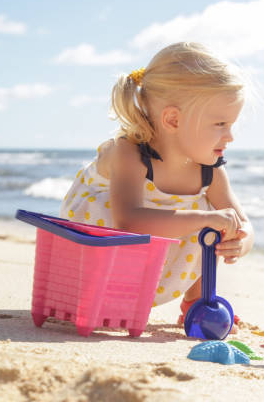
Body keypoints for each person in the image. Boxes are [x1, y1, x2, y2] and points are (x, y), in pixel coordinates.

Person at [59, 42, 254, 331]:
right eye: (220, 124)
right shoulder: (129, 152)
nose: (230, 136)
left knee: (213, 217)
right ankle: (106, 297)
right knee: (204, 216)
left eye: (231, 125)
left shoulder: (209, 171)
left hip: (148, 249)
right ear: (173, 119)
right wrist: (207, 218)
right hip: (92, 248)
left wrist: (240, 239)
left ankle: (197, 299)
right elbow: (128, 220)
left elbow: (243, 223)